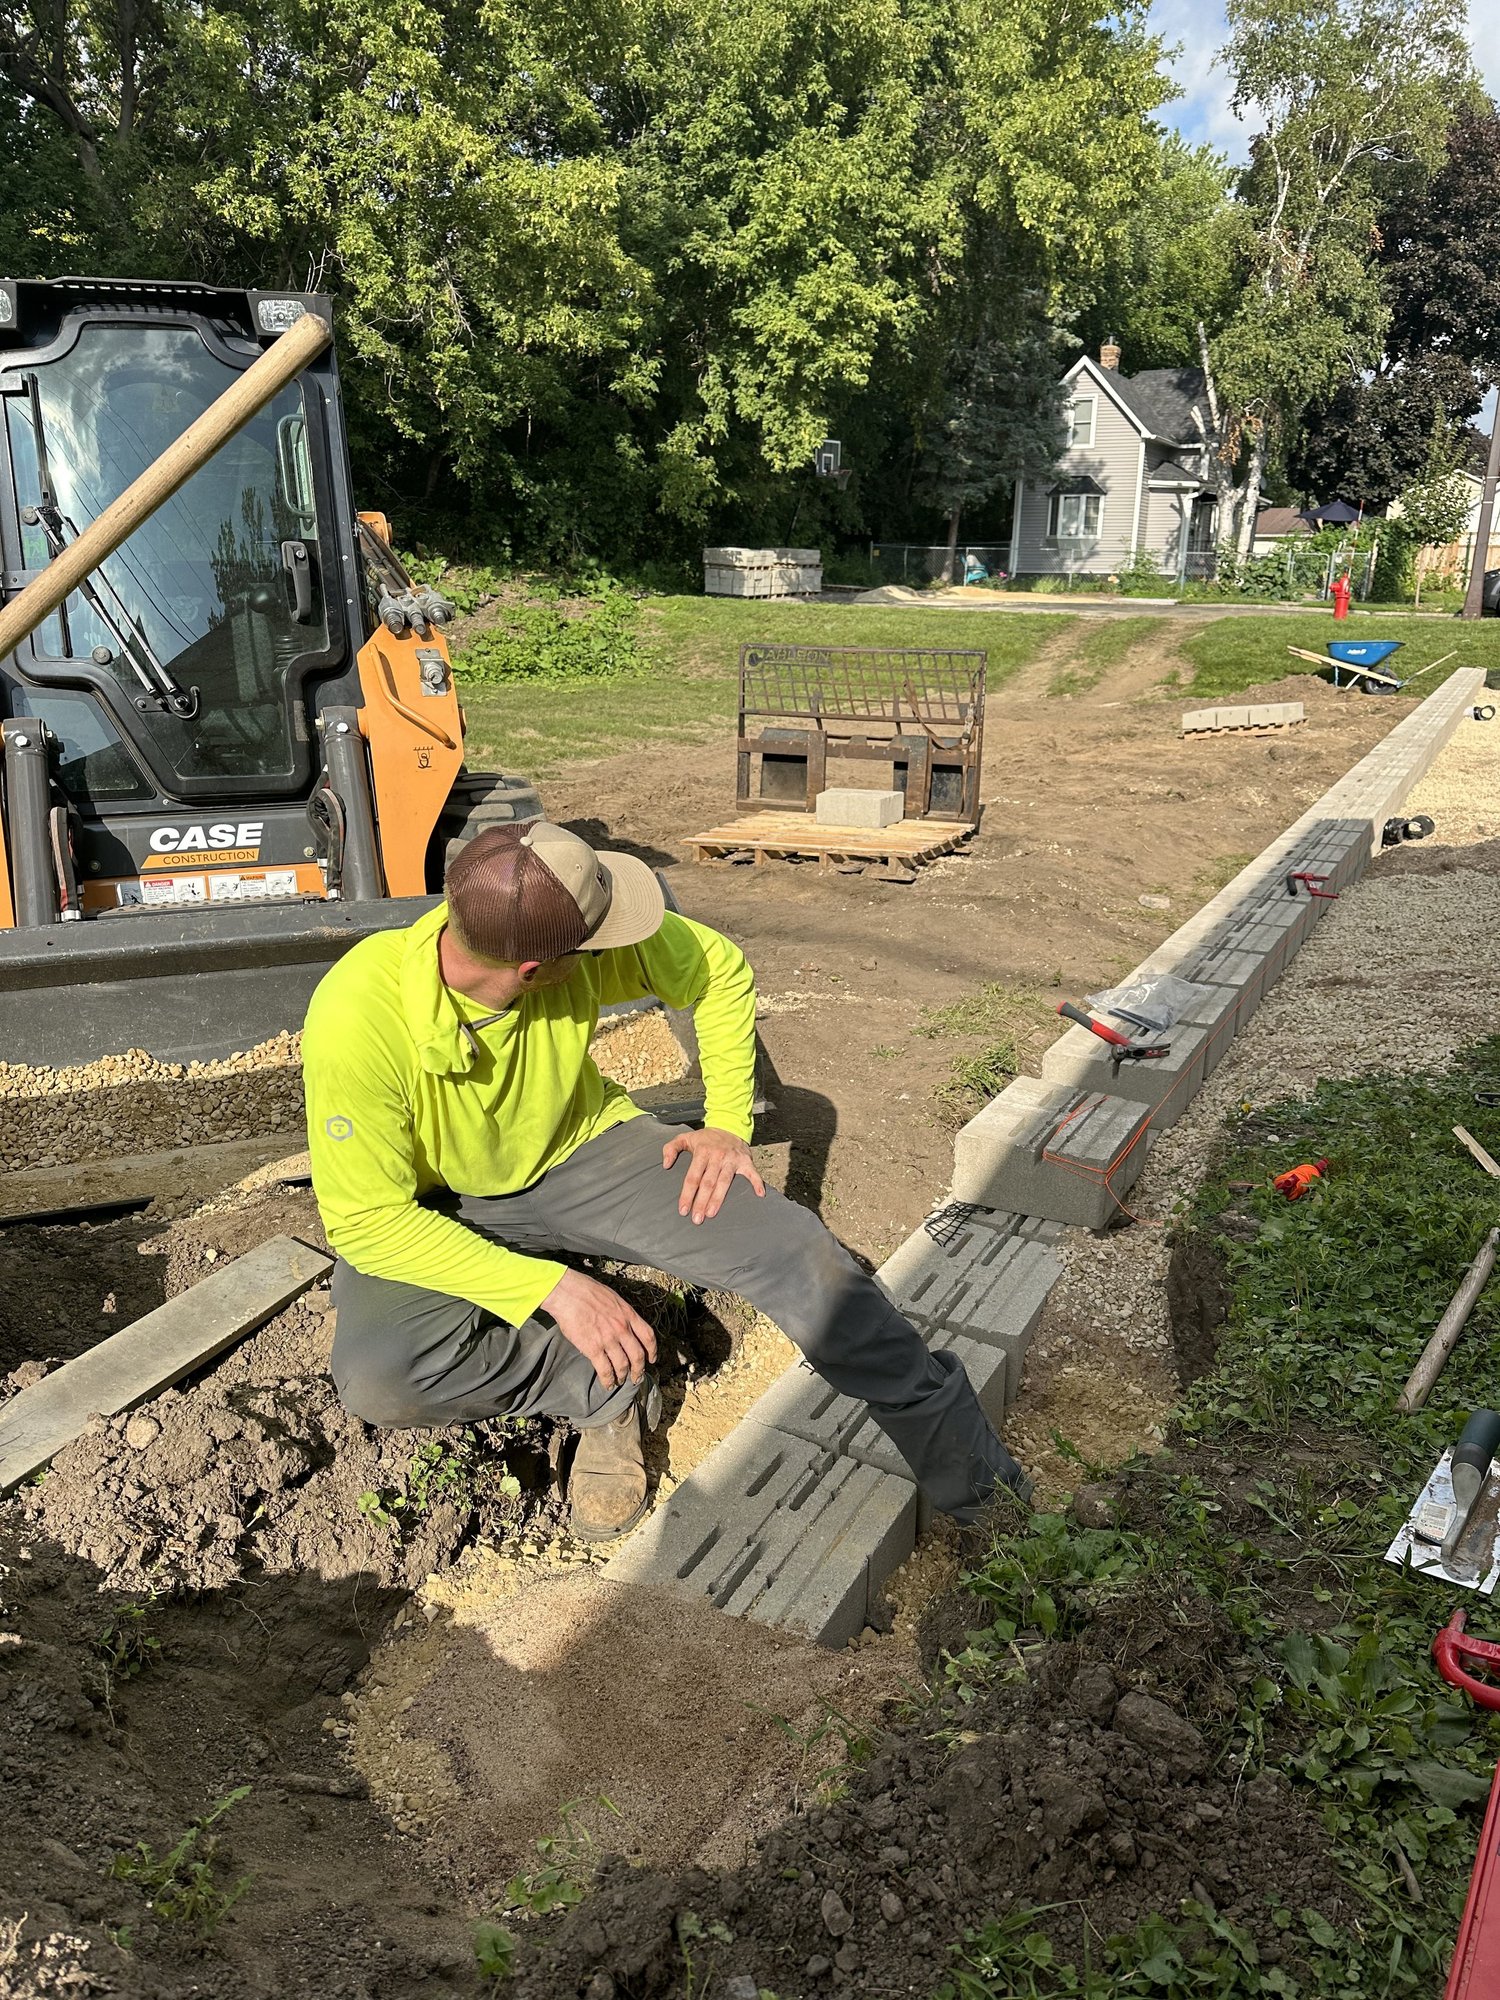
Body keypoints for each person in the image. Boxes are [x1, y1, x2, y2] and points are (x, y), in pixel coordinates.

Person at [302, 819, 1030, 1540]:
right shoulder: (358, 1019)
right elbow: (367, 1223)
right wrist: (551, 1289)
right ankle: (603, 1386)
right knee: (381, 1377)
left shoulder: (551, 951)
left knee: (796, 1253)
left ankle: (985, 1493)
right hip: (438, 1205)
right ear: (537, 967)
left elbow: (717, 970)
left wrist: (725, 1124)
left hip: (578, 1152)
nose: (618, 944)